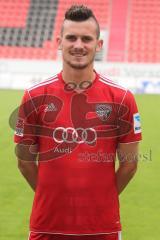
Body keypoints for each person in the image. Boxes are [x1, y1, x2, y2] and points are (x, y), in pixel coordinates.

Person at [14, 5, 142, 240]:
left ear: (98, 45)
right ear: (59, 42)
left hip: (103, 227)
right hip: (47, 226)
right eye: (71, 37)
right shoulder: (34, 97)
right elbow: (24, 163)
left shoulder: (122, 98)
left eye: (87, 38)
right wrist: (51, 195)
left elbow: (130, 165)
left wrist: (101, 199)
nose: (79, 45)